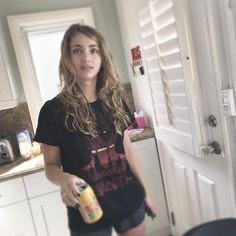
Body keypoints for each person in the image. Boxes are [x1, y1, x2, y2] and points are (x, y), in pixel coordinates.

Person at [34, 23, 156, 236]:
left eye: (93, 49)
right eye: (77, 50)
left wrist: (146, 192)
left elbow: (127, 149)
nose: (86, 57)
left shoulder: (115, 98)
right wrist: (65, 179)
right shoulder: (52, 111)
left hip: (129, 198)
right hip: (87, 210)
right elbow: (51, 166)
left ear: (102, 57)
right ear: (67, 58)